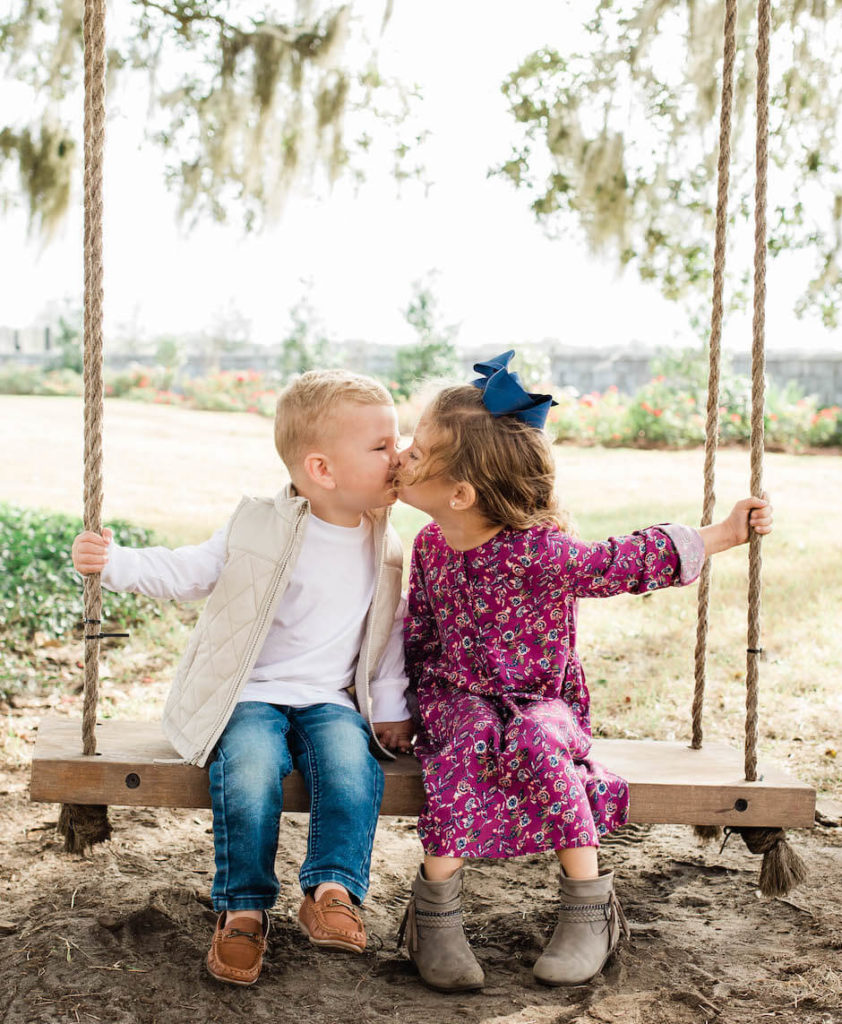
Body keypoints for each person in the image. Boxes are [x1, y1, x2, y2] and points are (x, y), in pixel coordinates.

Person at [393, 351, 773, 991]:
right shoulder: (430, 546)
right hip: (454, 696)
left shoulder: (539, 552)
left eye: (416, 448)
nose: (399, 454)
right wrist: (400, 707)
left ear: (460, 494)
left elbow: (622, 561)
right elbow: (418, 633)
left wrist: (719, 535)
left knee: (540, 743)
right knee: (462, 743)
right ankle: (436, 916)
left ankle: (587, 907)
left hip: (542, 699)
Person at [71, 370, 413, 987]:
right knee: (251, 770)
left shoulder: (388, 547)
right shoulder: (259, 525)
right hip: (249, 693)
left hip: (329, 699)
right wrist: (115, 562)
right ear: (323, 469)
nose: (401, 455)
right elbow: (188, 571)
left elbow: (386, 636)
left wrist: (388, 706)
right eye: (382, 446)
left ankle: (333, 889)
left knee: (349, 766)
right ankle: (244, 908)